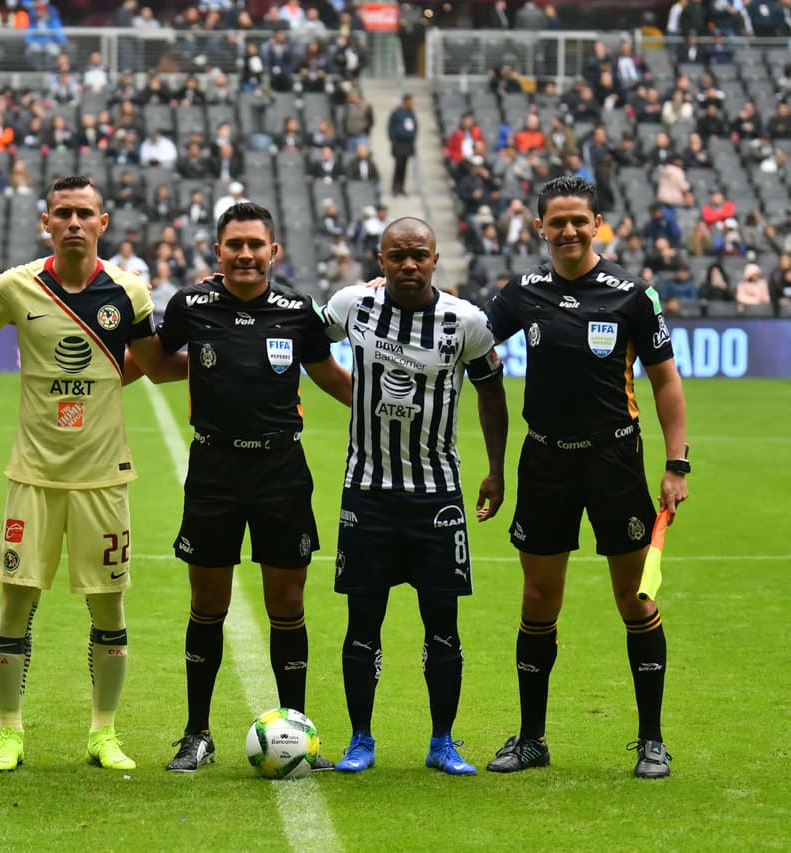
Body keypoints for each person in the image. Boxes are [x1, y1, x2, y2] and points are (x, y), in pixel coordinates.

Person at [0, 176, 178, 772]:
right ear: (46, 221)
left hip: (104, 478)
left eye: (86, 213)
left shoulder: (129, 293)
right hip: (32, 474)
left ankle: (103, 733)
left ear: (103, 223)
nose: (75, 222)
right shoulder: (16, 286)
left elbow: (156, 366)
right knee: (15, 606)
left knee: (108, 610)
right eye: (64, 213)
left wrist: (233, 339)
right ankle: (9, 732)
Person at [482, 176, 689, 779]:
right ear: (540, 227)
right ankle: (531, 740)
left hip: (614, 462)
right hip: (544, 461)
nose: (569, 230)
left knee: (635, 599)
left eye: (580, 220)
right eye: (557, 221)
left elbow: (666, 382)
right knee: (538, 599)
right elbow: (464, 331)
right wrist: (384, 292)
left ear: (597, 223)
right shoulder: (522, 292)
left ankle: (651, 740)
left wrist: (676, 464)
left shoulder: (632, 295)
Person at [157, 202, 353, 773]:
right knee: (207, 604)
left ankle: (295, 727)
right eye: (234, 244)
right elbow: (154, 358)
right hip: (214, 471)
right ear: (217, 251)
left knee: (287, 605)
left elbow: (331, 378)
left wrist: (393, 410)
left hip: (281, 473)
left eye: (255, 245)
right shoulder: (190, 305)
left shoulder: (297, 310)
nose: (245, 254)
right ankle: (197, 733)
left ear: (274, 251)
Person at [320, 217, 508, 776]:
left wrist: (496, 471)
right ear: (380, 259)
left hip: (438, 497)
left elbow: (492, 393)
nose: (408, 264)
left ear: (435, 258)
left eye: (418, 255)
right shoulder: (353, 306)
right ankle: (360, 738)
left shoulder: (465, 321)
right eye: (397, 255)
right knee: (363, 622)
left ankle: (443, 741)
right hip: (368, 493)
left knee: (442, 624)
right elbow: (303, 335)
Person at [387, 93, 418, 197]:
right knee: (398, 166)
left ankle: (401, 187)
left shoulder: (411, 113)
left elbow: (415, 126)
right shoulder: (397, 113)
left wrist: (412, 137)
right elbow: (390, 127)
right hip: (399, 143)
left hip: (407, 144)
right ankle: (395, 187)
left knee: (405, 166)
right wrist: (393, 139)